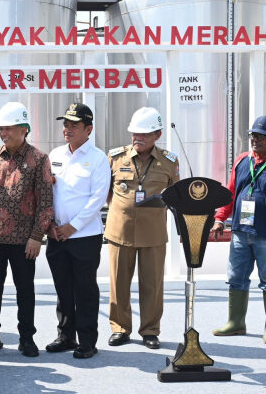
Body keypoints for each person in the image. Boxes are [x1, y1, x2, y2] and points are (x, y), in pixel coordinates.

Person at [0, 101, 54, 357]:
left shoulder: (39, 160)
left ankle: (27, 338)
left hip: (24, 243)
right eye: (1, 129)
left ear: (24, 129)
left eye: (8, 128)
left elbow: (45, 202)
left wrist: (35, 237)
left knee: (25, 291)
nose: (3, 133)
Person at [211, 115, 266, 344]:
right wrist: (220, 218)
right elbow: (230, 193)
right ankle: (236, 322)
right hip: (241, 232)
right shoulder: (242, 160)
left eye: (261, 136)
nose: (255, 140)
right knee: (236, 278)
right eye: (253, 135)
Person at [104, 106, 180, 350]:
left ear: (157, 135)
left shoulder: (169, 161)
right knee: (118, 283)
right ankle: (119, 328)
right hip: (119, 232)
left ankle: (150, 330)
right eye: (134, 133)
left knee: (152, 285)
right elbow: (106, 194)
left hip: (153, 234)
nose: (138, 138)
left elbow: (176, 195)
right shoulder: (115, 158)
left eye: (144, 134)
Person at [45, 103, 110, 359]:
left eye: (74, 125)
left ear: (89, 129)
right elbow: (48, 192)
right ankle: (65, 336)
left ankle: (87, 341)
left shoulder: (98, 159)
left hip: (84, 237)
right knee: (63, 288)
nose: (67, 130)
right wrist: (50, 224)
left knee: (84, 290)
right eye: (66, 125)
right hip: (57, 236)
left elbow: (98, 199)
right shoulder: (55, 154)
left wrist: (72, 226)